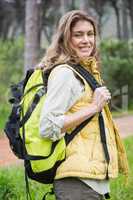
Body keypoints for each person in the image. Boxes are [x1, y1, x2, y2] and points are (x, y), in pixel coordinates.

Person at [38, 10, 129, 200]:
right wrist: (94, 108)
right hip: (76, 183)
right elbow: (47, 126)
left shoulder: (85, 72)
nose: (86, 40)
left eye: (90, 34)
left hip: (91, 182)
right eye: (78, 35)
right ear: (65, 39)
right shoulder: (65, 73)